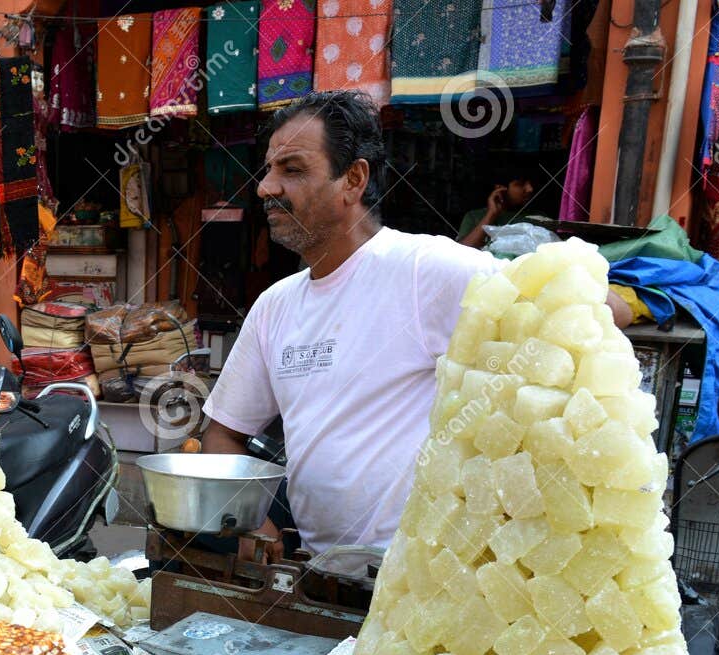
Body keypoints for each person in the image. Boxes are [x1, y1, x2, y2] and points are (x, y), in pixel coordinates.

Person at [202, 93, 626, 560]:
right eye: (269, 170)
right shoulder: (274, 307)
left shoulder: (426, 269)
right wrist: (247, 518)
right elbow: (223, 433)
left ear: (354, 179)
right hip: (321, 575)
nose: (266, 187)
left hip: (422, 580)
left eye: (293, 169)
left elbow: (605, 308)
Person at [457, 174, 538, 249]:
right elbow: (461, 253)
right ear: (500, 188)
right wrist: (491, 214)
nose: (530, 189)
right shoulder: (475, 217)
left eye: (530, 183)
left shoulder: (540, 218)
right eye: (520, 184)